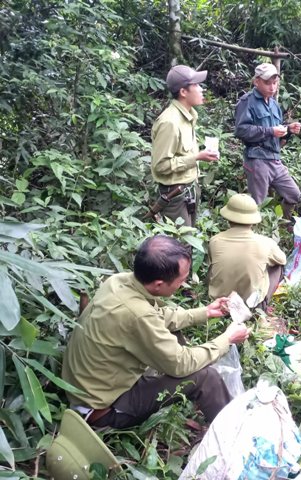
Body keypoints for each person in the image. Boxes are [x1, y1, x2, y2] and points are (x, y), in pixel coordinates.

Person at [62, 235, 251, 429]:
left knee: (175, 335)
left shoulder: (117, 282)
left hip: (84, 386)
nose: (183, 285)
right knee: (206, 378)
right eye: (181, 280)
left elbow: (157, 315)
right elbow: (181, 363)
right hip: (102, 410)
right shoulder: (138, 315)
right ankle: (233, 432)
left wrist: (205, 312)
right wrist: (227, 339)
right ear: (159, 284)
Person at [150, 65, 219, 227]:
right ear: (183, 92)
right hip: (174, 195)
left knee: (188, 242)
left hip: (188, 191)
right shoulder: (170, 122)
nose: (201, 89)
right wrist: (196, 157)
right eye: (196, 85)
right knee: (179, 247)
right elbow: (160, 166)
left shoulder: (187, 116)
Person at [234, 63, 301, 220]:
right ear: (256, 81)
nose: (272, 87)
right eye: (267, 83)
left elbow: (277, 134)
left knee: (294, 195)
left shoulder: (274, 104)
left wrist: (288, 130)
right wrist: (270, 131)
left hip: (275, 160)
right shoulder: (247, 102)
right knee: (256, 205)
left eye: (275, 83)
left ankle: (284, 223)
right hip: (257, 160)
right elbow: (241, 130)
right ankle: (255, 236)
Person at [208, 194, 286, 309]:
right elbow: (282, 260)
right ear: (253, 221)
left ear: (228, 218)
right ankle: (262, 304)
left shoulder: (214, 241)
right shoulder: (266, 243)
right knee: (278, 266)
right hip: (250, 306)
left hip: (219, 304)